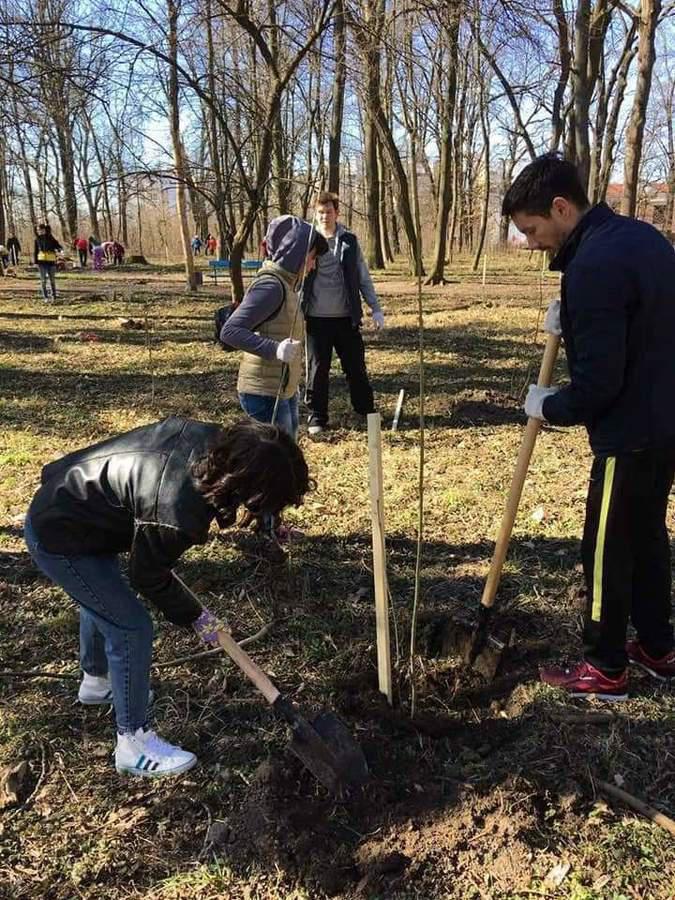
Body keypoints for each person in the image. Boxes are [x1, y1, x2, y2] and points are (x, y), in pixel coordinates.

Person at [24, 417, 312, 777]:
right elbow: (148, 576)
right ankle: (134, 742)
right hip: (60, 535)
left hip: (79, 512)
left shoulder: (210, 442)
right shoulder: (178, 510)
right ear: (249, 487)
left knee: (104, 595)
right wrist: (197, 617)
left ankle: (97, 682)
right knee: (131, 627)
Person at [502, 152, 675, 700]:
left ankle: (605, 666)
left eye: (532, 230)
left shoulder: (592, 265)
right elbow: (642, 322)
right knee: (646, 536)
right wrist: (575, 320)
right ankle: (657, 646)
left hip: (630, 432)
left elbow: (600, 384)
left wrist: (547, 406)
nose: (531, 244)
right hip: (668, 420)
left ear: (560, 207)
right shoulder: (642, 238)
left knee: (604, 548)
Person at [220, 215, 327, 539]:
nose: (312, 265)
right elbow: (231, 331)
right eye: (311, 257)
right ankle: (266, 531)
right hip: (263, 390)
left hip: (284, 388)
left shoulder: (288, 286)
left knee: (281, 461)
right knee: (271, 466)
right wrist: (274, 349)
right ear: (297, 254)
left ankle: (266, 522)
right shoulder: (271, 286)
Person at [301, 191, 385, 436]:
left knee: (356, 368)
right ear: (315, 215)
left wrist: (375, 308)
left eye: (328, 211)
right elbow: (296, 276)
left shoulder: (349, 241)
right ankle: (317, 417)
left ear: (337, 213)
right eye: (320, 212)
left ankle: (366, 412)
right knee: (317, 370)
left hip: (346, 319)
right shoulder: (307, 240)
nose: (324, 216)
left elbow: (362, 277)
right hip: (316, 319)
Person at [34, 223, 62, 302]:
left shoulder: (50, 238)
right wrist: (35, 262)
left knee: (52, 280)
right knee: (43, 280)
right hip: (41, 262)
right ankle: (45, 297)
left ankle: (54, 296)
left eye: (41, 230)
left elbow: (57, 245)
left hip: (51, 262)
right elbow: (35, 251)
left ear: (45, 230)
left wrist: (60, 249)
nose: (40, 231)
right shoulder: (37, 240)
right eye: (38, 230)